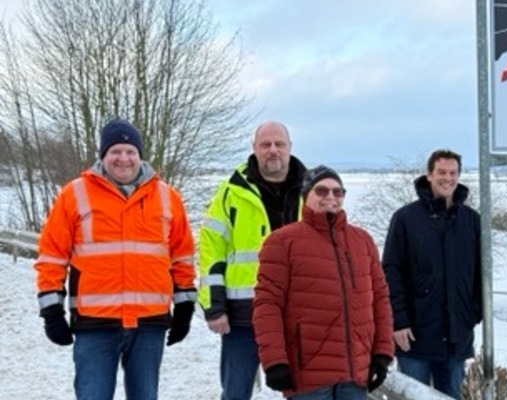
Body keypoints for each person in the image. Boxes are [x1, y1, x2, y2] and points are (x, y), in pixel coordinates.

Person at [34, 117, 197, 400]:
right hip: (95, 323)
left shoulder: (168, 196)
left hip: (150, 323)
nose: (124, 158)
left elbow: (182, 256)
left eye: (130, 151)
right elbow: (52, 256)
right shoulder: (74, 194)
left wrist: (185, 307)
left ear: (140, 155)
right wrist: (51, 310)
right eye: (115, 151)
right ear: (103, 156)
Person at [252, 165, 394, 399]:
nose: (330, 197)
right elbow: (267, 305)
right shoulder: (282, 242)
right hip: (308, 377)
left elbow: (379, 299)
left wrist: (383, 352)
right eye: (321, 191)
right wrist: (275, 361)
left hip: (355, 374)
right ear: (306, 196)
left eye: (337, 192)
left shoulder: (362, 241)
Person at [198, 121, 307, 399]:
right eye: (265, 145)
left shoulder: (311, 190)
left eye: (279, 144)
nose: (273, 151)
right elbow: (211, 251)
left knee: (305, 391)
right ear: (254, 149)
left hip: (298, 314)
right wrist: (214, 306)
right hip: (243, 316)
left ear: (290, 148)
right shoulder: (230, 192)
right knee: (236, 392)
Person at [382, 149, 482, 399]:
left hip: (456, 338)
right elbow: (391, 272)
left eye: (453, 173)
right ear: (429, 174)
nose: (447, 178)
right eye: (441, 172)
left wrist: (472, 314)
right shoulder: (406, 219)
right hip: (415, 336)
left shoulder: (471, 221)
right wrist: (399, 321)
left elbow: (482, 274)